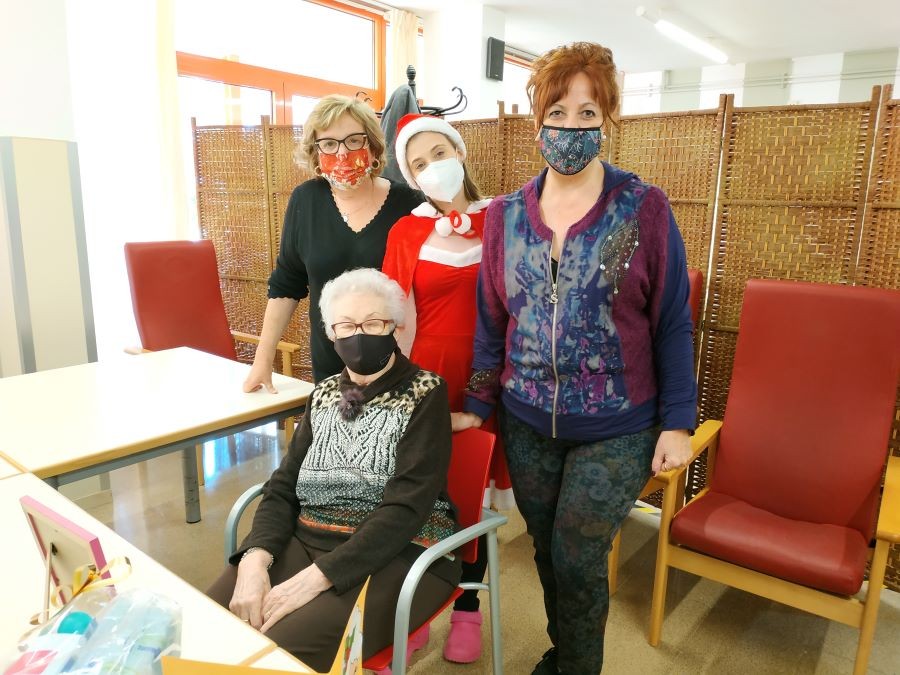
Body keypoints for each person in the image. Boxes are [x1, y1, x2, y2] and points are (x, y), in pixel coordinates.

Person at [458, 42, 698, 674]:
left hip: (618, 422)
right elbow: (491, 320)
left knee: (577, 556)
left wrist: (678, 421)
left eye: (587, 113)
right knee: (545, 549)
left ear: (607, 119)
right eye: (557, 112)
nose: (571, 127)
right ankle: (562, 654)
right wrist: (477, 401)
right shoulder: (506, 216)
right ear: (537, 119)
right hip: (527, 417)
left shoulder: (643, 207)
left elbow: (672, 321)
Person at [209, 268, 461, 672]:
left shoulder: (425, 392)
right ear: (331, 333)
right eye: (346, 325)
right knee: (211, 624)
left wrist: (317, 578)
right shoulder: (324, 393)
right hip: (309, 536)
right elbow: (283, 487)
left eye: (373, 323)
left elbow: (406, 508)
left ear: (394, 326)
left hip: (402, 552)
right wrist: (255, 559)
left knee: (275, 655)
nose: (359, 335)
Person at [381, 113, 514, 665]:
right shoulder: (405, 231)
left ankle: (467, 610)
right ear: (411, 177)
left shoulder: (503, 219)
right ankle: (416, 611)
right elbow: (389, 316)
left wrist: (487, 394)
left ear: (460, 153)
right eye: (418, 163)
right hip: (426, 377)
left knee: (471, 497)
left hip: (490, 379)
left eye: (439, 153)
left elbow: (518, 307)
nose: (432, 167)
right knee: (420, 496)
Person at [242, 94, 423, 389]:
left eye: (353, 140)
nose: (342, 153)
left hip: (398, 368)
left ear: (372, 145)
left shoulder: (409, 203)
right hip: (329, 370)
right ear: (315, 152)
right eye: (329, 143)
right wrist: (262, 359)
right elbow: (286, 284)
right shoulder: (305, 201)